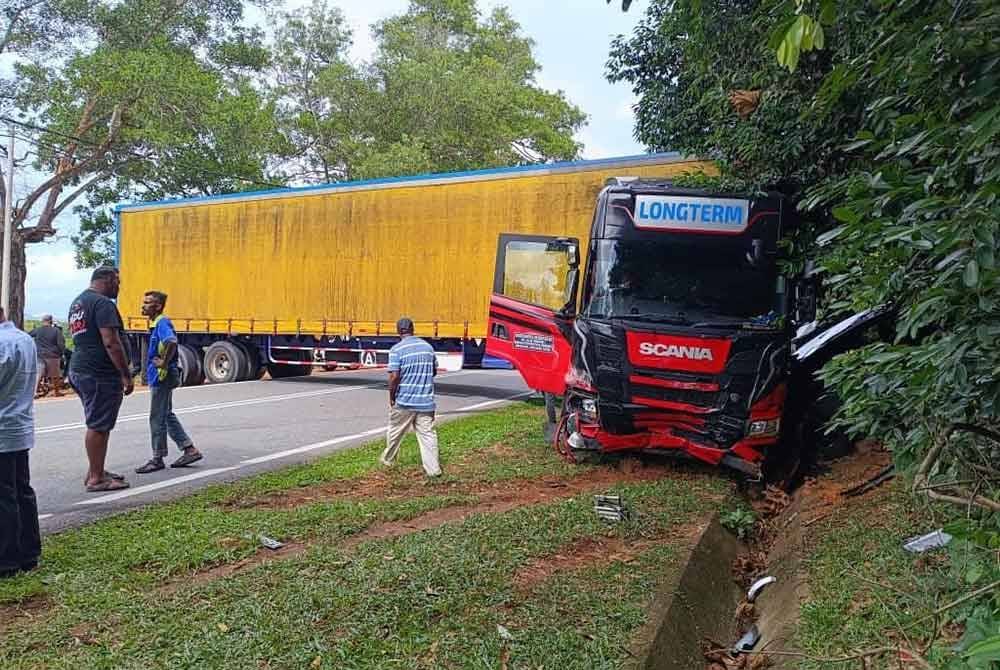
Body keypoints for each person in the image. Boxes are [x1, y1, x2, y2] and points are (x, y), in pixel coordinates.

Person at [68, 267, 133, 492]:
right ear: (106, 279)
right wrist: (125, 374)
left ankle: (96, 469)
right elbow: (110, 341)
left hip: (80, 369)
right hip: (99, 373)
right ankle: (96, 478)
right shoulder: (103, 304)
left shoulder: (78, 302)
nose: (119, 286)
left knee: (97, 420)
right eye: (117, 281)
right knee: (98, 425)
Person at [135, 291, 202, 473]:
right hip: (161, 375)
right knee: (166, 414)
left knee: (157, 416)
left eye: (148, 303)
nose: (143, 305)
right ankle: (189, 449)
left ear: (157, 307)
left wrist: (163, 361)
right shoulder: (156, 324)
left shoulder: (162, 322)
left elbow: (171, 341)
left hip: (162, 376)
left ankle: (157, 458)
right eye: (144, 301)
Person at [0, 306, 41, 578]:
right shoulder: (24, 339)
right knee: (21, 489)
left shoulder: (3, 344)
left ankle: (7, 561)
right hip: (19, 426)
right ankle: (29, 553)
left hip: (3, 427)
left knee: (4, 495)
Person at [380, 317, 442, 477]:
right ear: (413, 329)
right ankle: (433, 470)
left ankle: (388, 461)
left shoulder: (396, 350)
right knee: (428, 435)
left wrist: (392, 397)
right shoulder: (428, 348)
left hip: (404, 401)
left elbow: (394, 376)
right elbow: (434, 371)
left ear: (398, 331)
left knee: (395, 433)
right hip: (426, 401)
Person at [29, 314, 66, 397]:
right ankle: (56, 392)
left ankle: (34, 392)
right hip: (53, 355)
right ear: (51, 321)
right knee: (55, 375)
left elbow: (27, 336)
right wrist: (61, 353)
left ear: (43, 321)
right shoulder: (56, 331)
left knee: (38, 374)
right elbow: (61, 344)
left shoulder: (37, 330)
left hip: (39, 355)